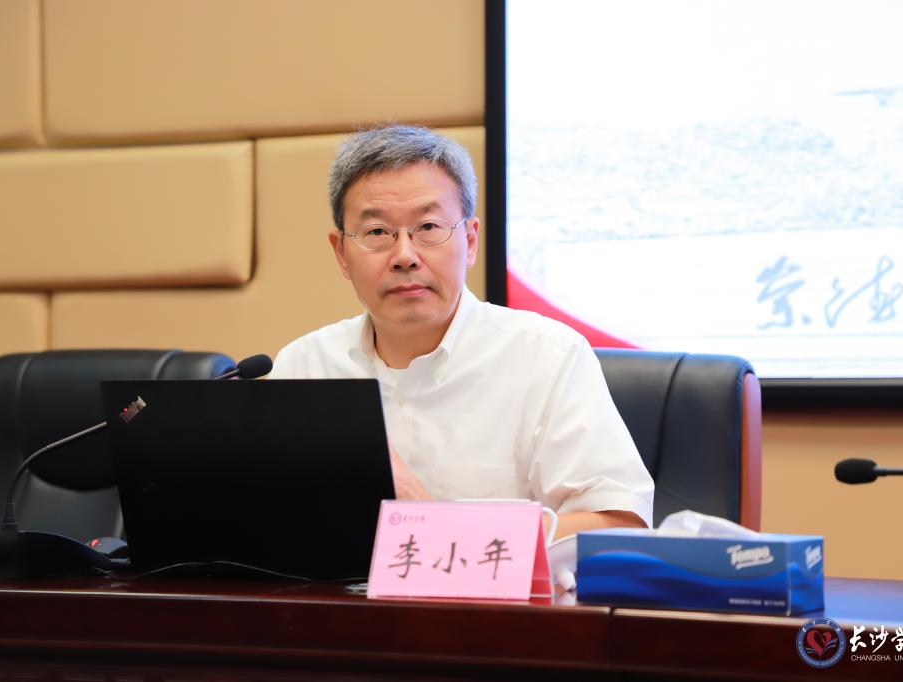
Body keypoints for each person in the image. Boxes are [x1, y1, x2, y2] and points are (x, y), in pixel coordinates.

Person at [269, 124, 653, 538]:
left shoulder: (548, 357)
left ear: (470, 241)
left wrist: (438, 526)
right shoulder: (302, 367)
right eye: (377, 232)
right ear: (342, 253)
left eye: (428, 227)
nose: (404, 256)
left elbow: (618, 524)